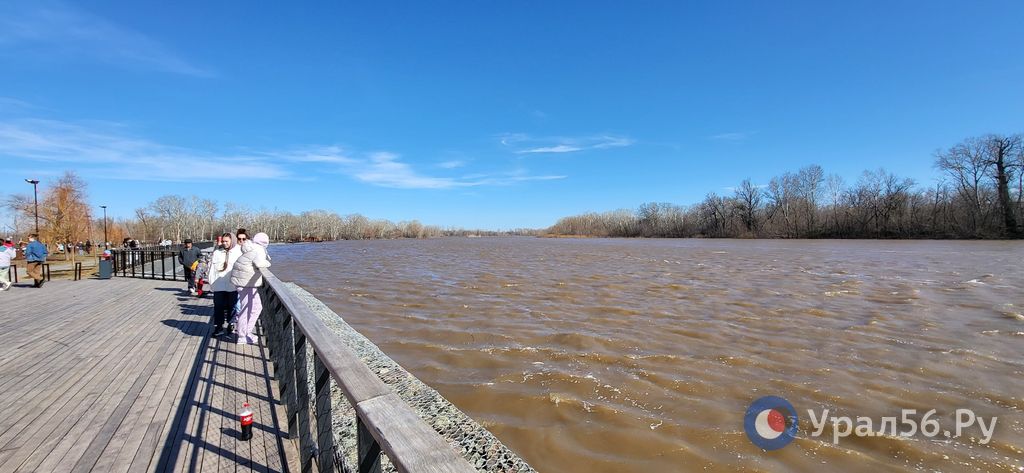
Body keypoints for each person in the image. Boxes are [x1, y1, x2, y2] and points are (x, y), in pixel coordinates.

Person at [230, 232, 271, 345]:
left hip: (243, 282)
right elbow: (260, 263)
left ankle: (246, 332)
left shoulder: (251, 247)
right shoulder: (258, 249)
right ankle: (242, 336)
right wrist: (268, 263)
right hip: (246, 283)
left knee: (255, 307)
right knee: (248, 308)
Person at [208, 233, 242, 337]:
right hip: (218, 284)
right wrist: (211, 282)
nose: (224, 243)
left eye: (227, 241)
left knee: (233, 306)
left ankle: (231, 324)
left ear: (232, 241)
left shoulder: (239, 252)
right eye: (223, 241)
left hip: (233, 285)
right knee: (218, 306)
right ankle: (218, 326)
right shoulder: (217, 252)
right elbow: (212, 269)